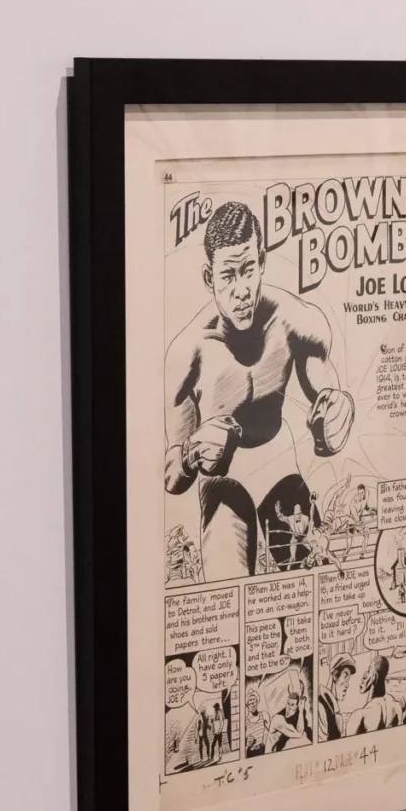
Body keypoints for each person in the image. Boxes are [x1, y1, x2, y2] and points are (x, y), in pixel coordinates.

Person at [164, 201, 354, 583]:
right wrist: (191, 453)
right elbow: (170, 477)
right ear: (209, 277)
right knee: (228, 592)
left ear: (262, 260)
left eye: (248, 269)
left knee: (312, 584)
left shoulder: (293, 319)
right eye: (228, 275)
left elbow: (326, 392)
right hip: (222, 480)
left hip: (279, 463)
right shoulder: (189, 354)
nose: (242, 291)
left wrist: (338, 410)